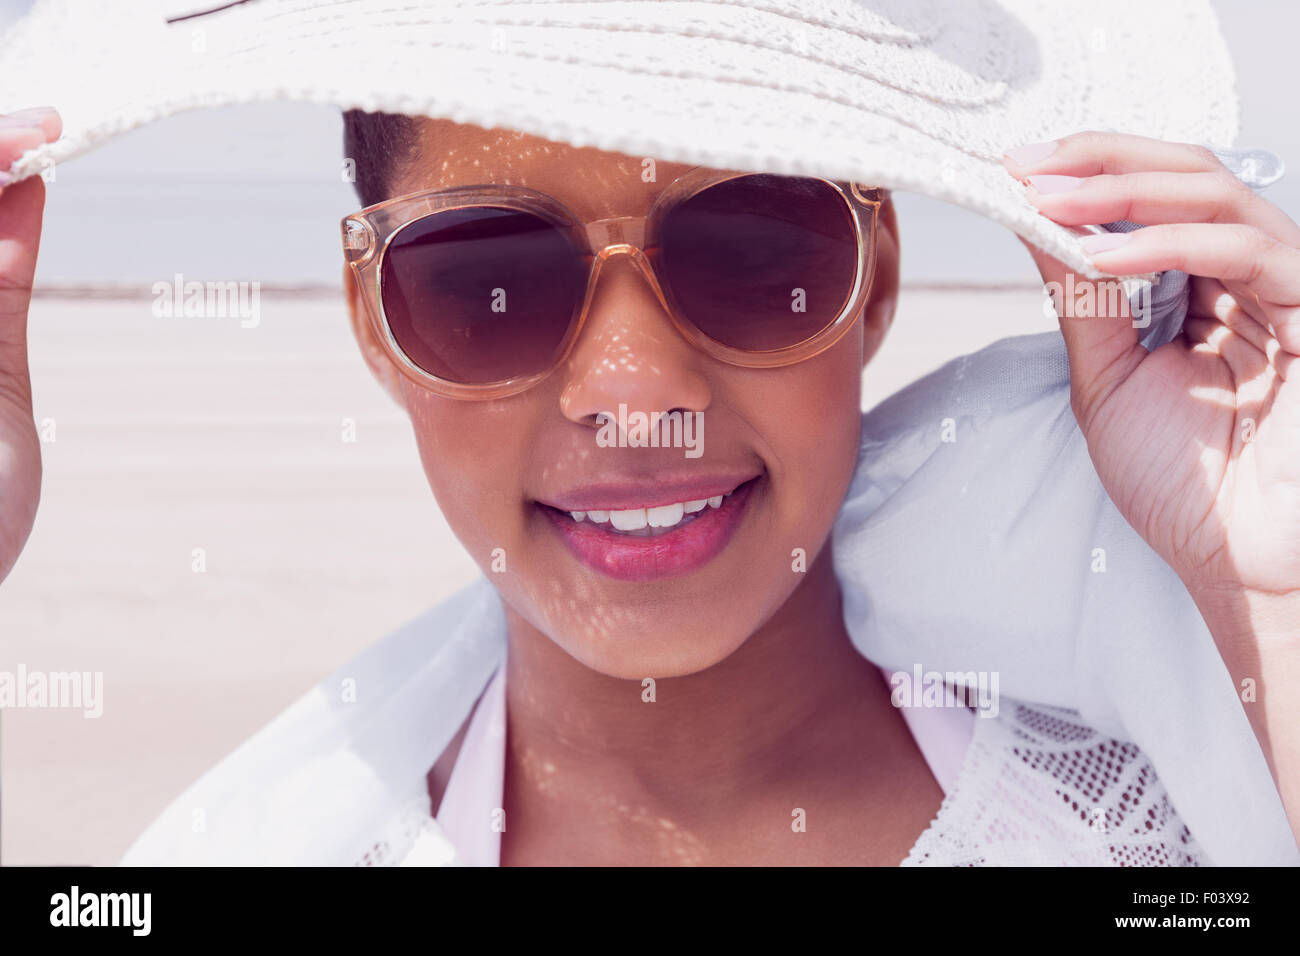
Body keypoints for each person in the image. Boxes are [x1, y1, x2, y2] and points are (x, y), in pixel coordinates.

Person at [1, 1, 1297, 866]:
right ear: (375, 321)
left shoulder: (1167, 835)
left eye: (749, 253)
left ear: (875, 278)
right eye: (487, 285)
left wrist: (1273, 585)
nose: (633, 393)